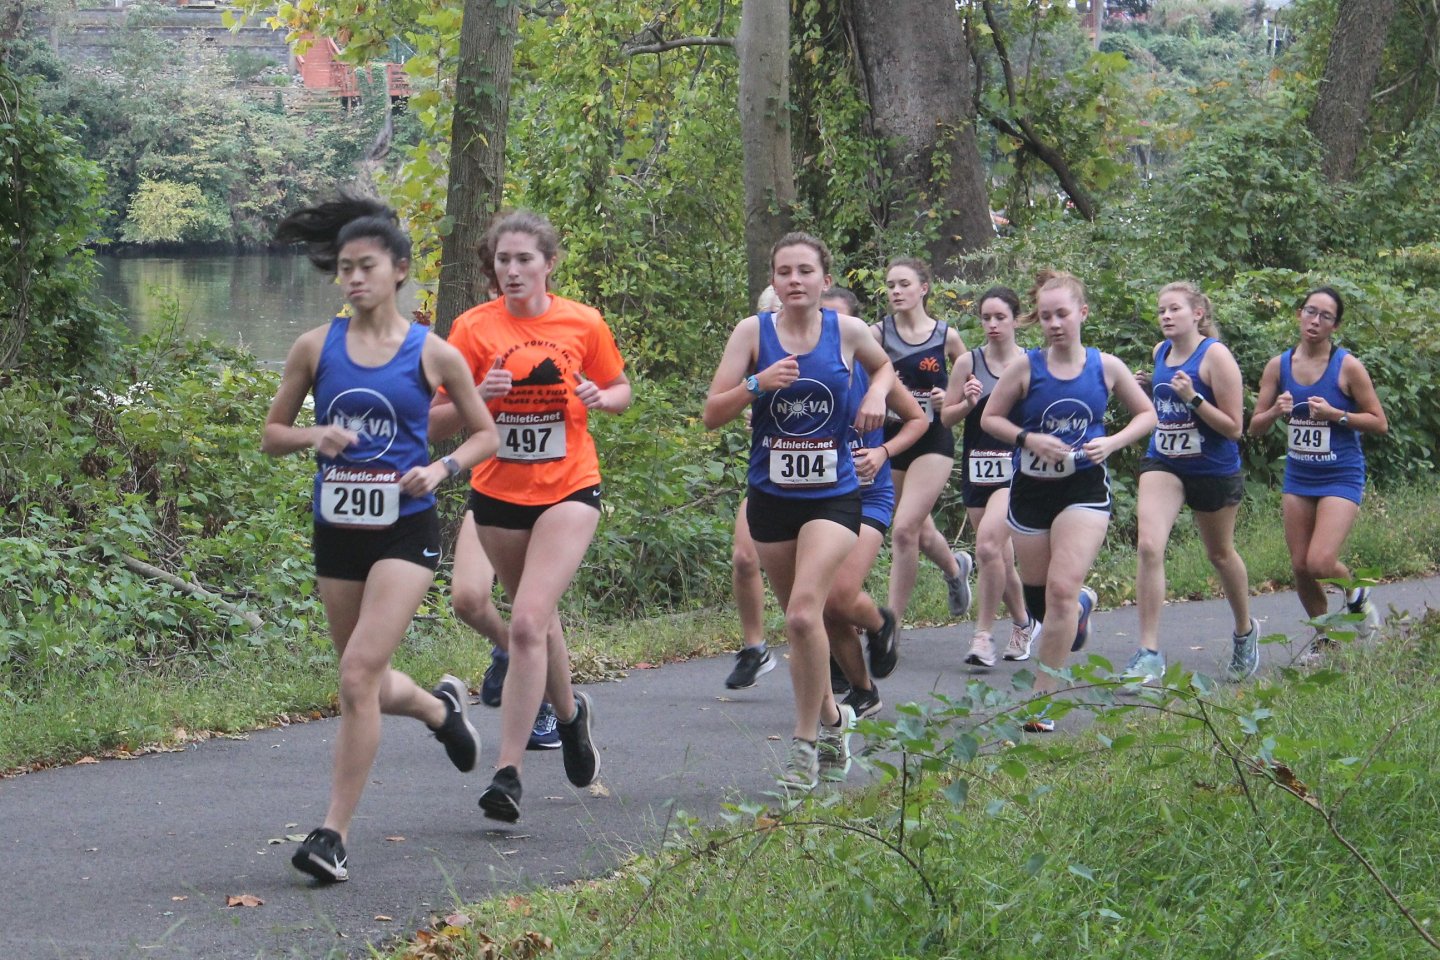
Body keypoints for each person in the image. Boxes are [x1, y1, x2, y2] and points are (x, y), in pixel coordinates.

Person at [262, 195, 499, 882]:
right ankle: (436, 706)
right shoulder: (316, 346)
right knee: (358, 678)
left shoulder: (434, 352)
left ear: (399, 270)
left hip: (404, 528)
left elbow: (485, 433)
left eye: (365, 267)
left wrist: (442, 467)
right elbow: (272, 435)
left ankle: (331, 836)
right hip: (338, 529)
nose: (352, 280)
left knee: (358, 675)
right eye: (343, 269)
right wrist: (314, 434)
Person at [443, 210, 631, 822]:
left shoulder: (582, 321)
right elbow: (434, 419)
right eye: (503, 260)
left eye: (525, 259)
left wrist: (604, 398)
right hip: (498, 492)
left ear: (549, 263)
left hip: (569, 487)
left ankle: (508, 773)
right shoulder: (471, 330)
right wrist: (480, 401)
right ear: (491, 267)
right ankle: (573, 719)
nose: (513, 269)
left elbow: (621, 388)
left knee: (526, 621)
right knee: (539, 624)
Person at [704, 234, 895, 790]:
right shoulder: (752, 333)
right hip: (771, 496)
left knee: (802, 615)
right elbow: (713, 413)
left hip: (833, 496)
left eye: (805, 270)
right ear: (773, 279)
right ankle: (836, 721)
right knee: (802, 623)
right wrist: (756, 384)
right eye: (783, 270)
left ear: (824, 279)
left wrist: (876, 393)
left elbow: (884, 370)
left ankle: (804, 746)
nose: (794, 280)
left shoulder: (848, 331)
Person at [980, 271, 1156, 731]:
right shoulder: (1026, 368)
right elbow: (991, 417)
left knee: (1058, 591)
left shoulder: (1106, 366)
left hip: (1083, 489)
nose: (1055, 323)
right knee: (1044, 605)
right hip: (1032, 491)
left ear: (1082, 313)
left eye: (1063, 313)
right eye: (1045, 316)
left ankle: (1043, 701)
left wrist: (1113, 442)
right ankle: (1079, 606)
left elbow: (1147, 414)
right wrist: (1027, 438)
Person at [1126, 283, 1258, 684]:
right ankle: (1148, 652)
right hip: (1165, 460)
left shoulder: (1215, 356)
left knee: (1220, 554)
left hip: (1212, 467)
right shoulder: (1160, 353)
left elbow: (1235, 428)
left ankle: (1245, 631)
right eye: (1161, 310)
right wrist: (1150, 388)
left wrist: (1194, 398)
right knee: (1149, 545)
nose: (1165, 316)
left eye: (1174, 309)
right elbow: (1162, 404)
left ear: (1197, 313)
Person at [1249, 286, 1387, 663]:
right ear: (1299, 314)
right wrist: (1276, 411)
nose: (1315, 321)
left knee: (1321, 561)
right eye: (1311, 311)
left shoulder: (1348, 366)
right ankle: (1327, 640)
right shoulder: (1279, 366)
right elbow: (1254, 427)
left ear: (1335, 325)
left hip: (1341, 473)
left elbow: (1379, 422)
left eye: (1326, 316)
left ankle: (1358, 595)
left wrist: (1337, 416)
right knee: (1300, 567)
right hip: (1300, 474)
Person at [821, 285, 927, 720]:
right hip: (818, 498)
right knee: (825, 604)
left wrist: (883, 451)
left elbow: (920, 421)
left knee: (841, 594)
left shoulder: (874, 374)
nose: (830, 329)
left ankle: (881, 624)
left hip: (867, 495)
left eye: (841, 322)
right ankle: (863, 691)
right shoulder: (796, 368)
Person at [874, 257, 974, 640]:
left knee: (902, 530)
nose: (895, 291)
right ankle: (955, 568)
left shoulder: (946, 336)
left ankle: (890, 626)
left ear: (923, 288)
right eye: (890, 285)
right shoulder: (878, 334)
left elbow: (970, 387)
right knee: (918, 527)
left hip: (933, 441)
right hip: (894, 439)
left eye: (903, 284)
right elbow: (851, 371)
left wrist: (946, 400)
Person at [940, 286, 1033, 668]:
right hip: (977, 468)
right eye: (986, 317)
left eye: (1000, 317)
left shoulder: (1031, 363)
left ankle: (982, 637)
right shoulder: (968, 363)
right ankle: (1025, 623)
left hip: (1017, 471)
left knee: (988, 549)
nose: (992, 325)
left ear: (1015, 319)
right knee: (1000, 558)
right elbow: (945, 418)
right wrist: (968, 403)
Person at [724, 286, 783, 691]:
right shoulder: (757, 347)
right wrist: (753, 396)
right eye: (772, 310)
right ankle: (754, 647)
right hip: (769, 475)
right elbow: (720, 404)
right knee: (745, 557)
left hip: (829, 488)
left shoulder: (840, 341)